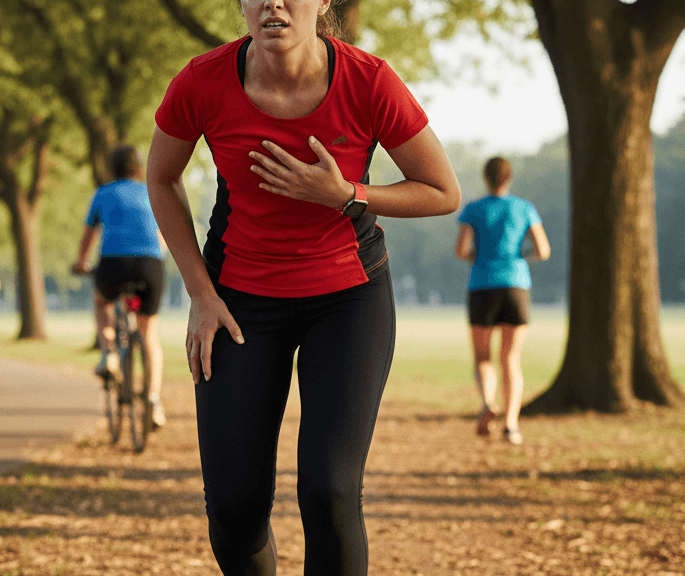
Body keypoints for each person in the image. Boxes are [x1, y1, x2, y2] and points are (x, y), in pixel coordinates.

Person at [146, 1, 461, 573]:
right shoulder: (202, 81)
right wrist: (200, 295)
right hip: (237, 302)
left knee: (329, 492)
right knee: (235, 508)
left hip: (347, 300)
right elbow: (162, 177)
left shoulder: (370, 82)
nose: (274, 2)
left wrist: (347, 193)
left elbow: (441, 191)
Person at [454, 156, 550, 446]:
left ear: (486, 177)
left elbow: (461, 250)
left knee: (483, 357)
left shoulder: (473, 209)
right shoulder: (524, 208)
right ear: (508, 178)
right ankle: (511, 424)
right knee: (510, 359)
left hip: (482, 284)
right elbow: (543, 250)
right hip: (516, 286)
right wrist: (522, 256)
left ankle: (487, 402)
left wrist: (479, 257)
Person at [72, 145, 167, 429]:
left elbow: (89, 236)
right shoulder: (152, 191)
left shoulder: (103, 193)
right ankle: (153, 398)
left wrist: (80, 263)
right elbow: (163, 234)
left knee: (101, 302)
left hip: (113, 264)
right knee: (149, 332)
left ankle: (110, 353)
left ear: (112, 169)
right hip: (150, 265)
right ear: (138, 168)